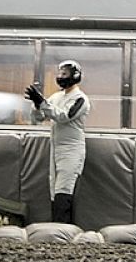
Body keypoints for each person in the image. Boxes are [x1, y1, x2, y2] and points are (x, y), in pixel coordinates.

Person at [24, 60, 89, 224]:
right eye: (59, 73)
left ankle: (63, 233)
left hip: (72, 151)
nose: (60, 77)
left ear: (75, 76)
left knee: (64, 191)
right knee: (54, 191)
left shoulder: (81, 99)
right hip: (55, 149)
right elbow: (38, 119)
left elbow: (64, 116)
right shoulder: (56, 96)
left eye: (64, 74)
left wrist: (43, 103)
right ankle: (55, 230)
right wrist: (36, 105)